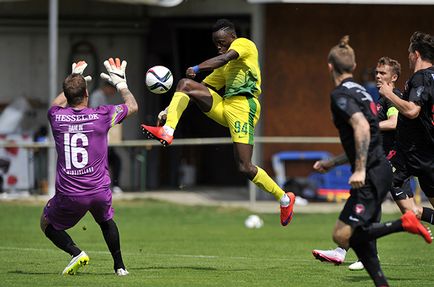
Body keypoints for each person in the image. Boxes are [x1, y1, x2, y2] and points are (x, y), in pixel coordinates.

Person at [141, 19, 295, 226]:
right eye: (216, 44)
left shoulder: (244, 44)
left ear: (232, 37)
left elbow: (224, 58)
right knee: (185, 84)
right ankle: (168, 130)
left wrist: (197, 66)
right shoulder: (226, 67)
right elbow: (197, 88)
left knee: (245, 166)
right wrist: (167, 110)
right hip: (225, 107)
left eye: (222, 42)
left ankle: (285, 199)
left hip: (244, 108)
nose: (220, 47)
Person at [312, 36, 432, 287]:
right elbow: (369, 133)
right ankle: (379, 277)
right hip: (385, 166)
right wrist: (333, 163)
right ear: (354, 67)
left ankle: (404, 223)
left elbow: (364, 129)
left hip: (379, 168)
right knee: (356, 235)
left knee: (346, 234)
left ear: (330, 67)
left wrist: (358, 169)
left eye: (382, 72)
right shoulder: (367, 95)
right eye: (376, 72)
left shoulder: (345, 94)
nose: (378, 76)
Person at [40, 58, 138, 275]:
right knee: (106, 221)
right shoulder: (101, 115)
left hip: (70, 193)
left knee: (46, 223)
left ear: (67, 96)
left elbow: (54, 105)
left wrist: (74, 79)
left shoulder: (56, 117)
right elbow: (132, 106)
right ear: (86, 94)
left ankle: (76, 252)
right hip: (99, 190)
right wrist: (122, 85)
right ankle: (120, 266)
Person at [89, 81, 123, 194]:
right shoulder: (97, 95)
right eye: (113, 90)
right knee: (106, 161)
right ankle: (103, 186)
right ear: (107, 87)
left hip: (104, 136)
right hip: (97, 136)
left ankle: (114, 185)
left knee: (115, 160)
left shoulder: (102, 96)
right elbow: (95, 114)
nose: (113, 93)